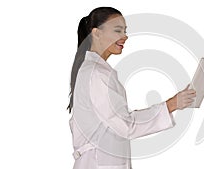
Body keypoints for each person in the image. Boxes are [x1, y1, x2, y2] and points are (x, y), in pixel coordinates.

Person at [67, 7, 196, 169]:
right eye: (117, 30)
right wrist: (171, 104)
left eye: (125, 31)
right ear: (97, 33)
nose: (125, 36)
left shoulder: (96, 71)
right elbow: (124, 125)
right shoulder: (96, 74)